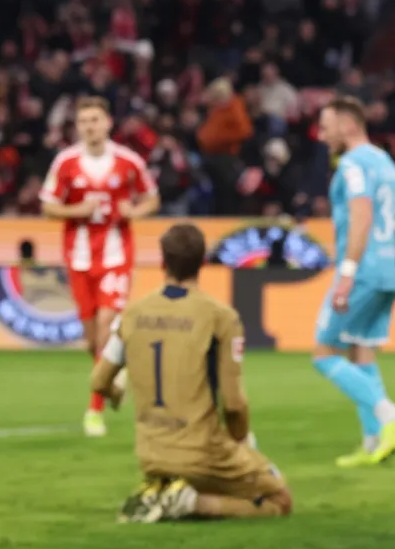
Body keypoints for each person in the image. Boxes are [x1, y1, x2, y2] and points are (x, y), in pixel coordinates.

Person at [92, 223, 292, 522]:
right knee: (279, 500)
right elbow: (234, 405)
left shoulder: (132, 314)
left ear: (162, 262)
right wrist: (241, 446)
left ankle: (166, 490)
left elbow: (98, 380)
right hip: (204, 452)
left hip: (151, 454)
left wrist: (116, 394)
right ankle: (189, 503)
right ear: (203, 263)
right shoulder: (220, 317)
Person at [41, 96, 160, 438]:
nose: (90, 127)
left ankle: (94, 412)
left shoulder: (128, 161)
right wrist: (75, 211)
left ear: (108, 123)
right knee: (93, 342)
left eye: (95, 120)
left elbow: (151, 197)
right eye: (83, 122)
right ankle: (114, 379)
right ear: (77, 127)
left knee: (108, 324)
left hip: (115, 257)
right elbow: (48, 206)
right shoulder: (66, 163)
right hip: (78, 258)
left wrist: (134, 213)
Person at [312, 97, 395, 468]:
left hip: (363, 270)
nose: (321, 135)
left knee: (324, 354)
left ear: (348, 124)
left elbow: (362, 213)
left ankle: (390, 416)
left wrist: (347, 273)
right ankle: (373, 443)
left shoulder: (353, 164)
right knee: (361, 351)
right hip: (387, 268)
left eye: (326, 126)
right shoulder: (385, 162)